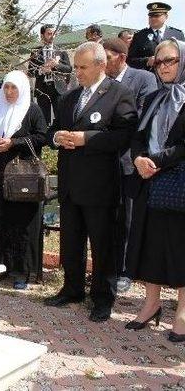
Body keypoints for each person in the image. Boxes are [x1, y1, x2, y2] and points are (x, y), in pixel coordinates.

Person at [44, 42, 138, 322]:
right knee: (71, 241)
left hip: (100, 185)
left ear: (101, 65)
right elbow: (51, 130)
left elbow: (124, 136)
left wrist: (87, 139)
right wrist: (57, 138)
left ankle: (102, 298)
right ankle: (72, 289)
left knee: (102, 244)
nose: (78, 72)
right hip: (71, 184)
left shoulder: (119, 94)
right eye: (76, 67)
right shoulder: (70, 97)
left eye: (83, 67)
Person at [125, 38, 185, 342]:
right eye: (159, 61)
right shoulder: (152, 98)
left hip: (178, 182)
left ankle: (183, 311)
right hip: (148, 180)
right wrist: (138, 158)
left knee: (179, 247)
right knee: (147, 244)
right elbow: (138, 135)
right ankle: (151, 304)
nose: (164, 67)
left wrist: (156, 160)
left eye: (171, 60)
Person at [103, 37, 158, 292]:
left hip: (128, 161)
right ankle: (107, 268)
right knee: (106, 217)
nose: (103, 62)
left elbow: (142, 119)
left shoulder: (142, 79)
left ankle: (125, 270)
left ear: (121, 57)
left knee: (127, 218)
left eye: (108, 57)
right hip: (102, 161)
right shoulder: (99, 82)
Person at [0, 71, 48, 289]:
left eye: (14, 88)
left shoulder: (32, 110)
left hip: (23, 174)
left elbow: (42, 137)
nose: (10, 92)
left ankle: (22, 271)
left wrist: (14, 143)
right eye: (6, 87)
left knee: (22, 221)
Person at [28, 24, 72, 125]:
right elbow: (30, 72)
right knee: (43, 118)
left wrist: (56, 65)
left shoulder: (61, 51)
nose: (52, 36)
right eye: (49, 34)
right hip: (42, 89)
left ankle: (59, 138)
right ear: (42, 35)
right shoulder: (35, 52)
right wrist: (41, 70)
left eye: (54, 34)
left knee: (61, 116)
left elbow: (69, 69)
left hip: (58, 89)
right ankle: (45, 139)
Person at [128, 2, 184, 71]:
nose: (153, 18)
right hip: (148, 77)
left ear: (166, 16)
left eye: (156, 15)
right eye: (150, 16)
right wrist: (147, 61)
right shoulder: (140, 35)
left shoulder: (177, 34)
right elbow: (130, 60)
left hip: (171, 78)